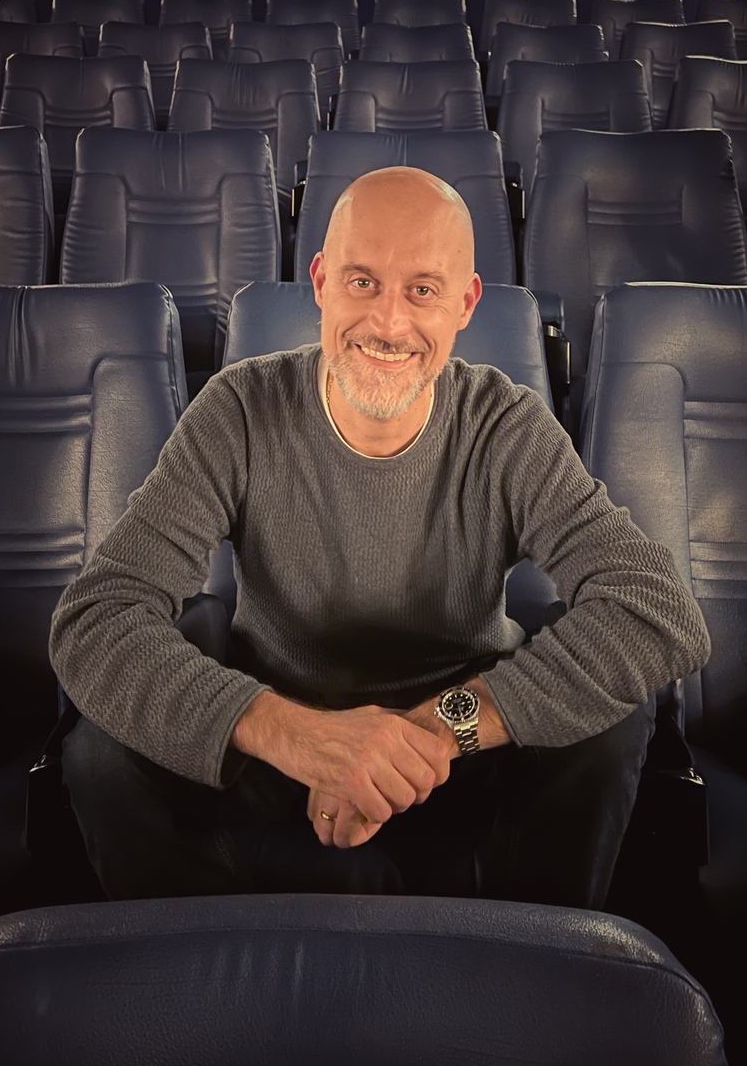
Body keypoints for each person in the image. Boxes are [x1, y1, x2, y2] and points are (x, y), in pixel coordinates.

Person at [50, 167, 710, 906]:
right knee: (99, 750)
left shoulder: (508, 426)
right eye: (362, 282)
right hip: (276, 756)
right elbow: (94, 620)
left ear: (465, 305)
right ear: (321, 282)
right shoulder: (238, 410)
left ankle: (530, 957)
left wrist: (426, 736)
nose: (389, 323)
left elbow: (659, 612)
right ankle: (199, 960)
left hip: (468, 753)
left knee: (615, 715)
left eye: (423, 290)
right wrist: (295, 735)